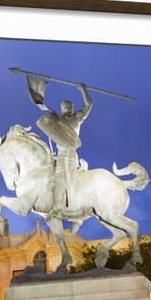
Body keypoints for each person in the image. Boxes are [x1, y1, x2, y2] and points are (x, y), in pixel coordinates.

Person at [30, 82, 93, 220]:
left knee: (66, 180)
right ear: (61, 108)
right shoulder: (57, 121)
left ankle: (73, 207)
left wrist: (83, 90)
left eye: (68, 107)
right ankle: (55, 206)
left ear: (72, 108)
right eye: (63, 107)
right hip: (59, 155)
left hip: (70, 156)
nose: (65, 109)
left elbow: (89, 104)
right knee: (53, 179)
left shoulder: (77, 118)